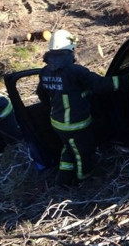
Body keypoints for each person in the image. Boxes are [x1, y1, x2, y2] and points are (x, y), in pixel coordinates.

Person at [36, 29, 115, 186]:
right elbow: (101, 85)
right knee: (83, 153)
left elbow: (42, 95)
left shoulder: (45, 71)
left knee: (69, 148)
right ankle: (84, 179)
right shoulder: (74, 71)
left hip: (58, 123)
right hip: (76, 125)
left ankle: (63, 180)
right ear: (70, 49)